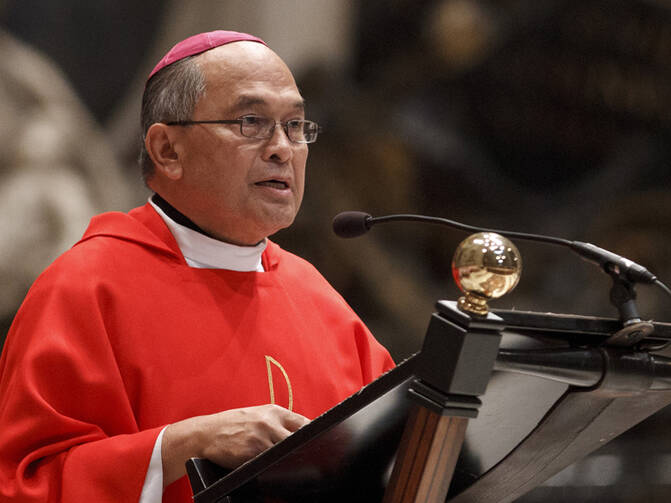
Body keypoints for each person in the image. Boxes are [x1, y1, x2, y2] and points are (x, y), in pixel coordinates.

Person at [0, 30, 394, 503]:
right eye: (251, 121)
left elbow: (396, 451)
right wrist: (180, 446)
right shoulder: (85, 289)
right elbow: (27, 485)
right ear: (168, 150)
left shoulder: (319, 298)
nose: (282, 148)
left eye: (295, 125)